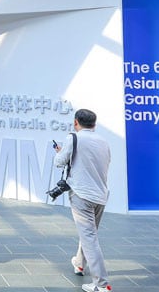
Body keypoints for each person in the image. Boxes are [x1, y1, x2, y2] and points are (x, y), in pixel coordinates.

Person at [54, 109, 112, 292]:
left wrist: (60, 153)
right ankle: (79, 264)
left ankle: (101, 284)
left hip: (81, 195)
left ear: (76, 122)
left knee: (89, 238)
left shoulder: (73, 138)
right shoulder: (103, 141)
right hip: (101, 195)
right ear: (94, 124)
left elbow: (59, 162)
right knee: (89, 233)